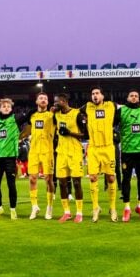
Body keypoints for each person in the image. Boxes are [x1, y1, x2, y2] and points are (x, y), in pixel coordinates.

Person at [80, 87, 120, 223]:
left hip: (108, 148)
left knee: (110, 178)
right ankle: (95, 207)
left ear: (103, 95)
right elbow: (72, 112)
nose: (95, 96)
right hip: (94, 148)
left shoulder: (111, 106)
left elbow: (128, 107)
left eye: (97, 93)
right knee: (92, 177)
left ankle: (112, 208)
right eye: (92, 94)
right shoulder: (87, 107)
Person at [0, 98, 32, 220]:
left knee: (11, 184)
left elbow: (29, 116)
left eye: (8, 106)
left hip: (10, 157)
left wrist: (38, 107)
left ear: (12, 108)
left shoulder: (15, 119)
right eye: (3, 106)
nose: (6, 107)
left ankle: (13, 209)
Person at [117, 90, 140, 222]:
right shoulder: (121, 111)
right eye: (131, 95)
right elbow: (111, 123)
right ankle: (127, 208)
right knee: (126, 180)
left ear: (139, 98)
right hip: (127, 150)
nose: (134, 97)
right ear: (127, 97)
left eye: (136, 96)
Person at [54, 93, 86, 223]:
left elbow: (85, 134)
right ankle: (67, 212)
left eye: (56, 102)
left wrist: (70, 133)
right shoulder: (56, 115)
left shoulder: (77, 114)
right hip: (61, 153)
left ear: (63, 101)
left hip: (75, 153)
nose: (55, 104)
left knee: (77, 183)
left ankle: (79, 212)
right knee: (62, 183)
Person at [27, 92, 57, 220]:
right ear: (36, 101)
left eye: (45, 98)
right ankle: (35, 207)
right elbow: (28, 129)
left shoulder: (52, 116)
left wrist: (56, 111)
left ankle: (49, 207)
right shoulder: (32, 116)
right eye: (41, 98)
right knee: (32, 179)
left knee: (48, 180)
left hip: (47, 152)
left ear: (48, 101)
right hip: (33, 151)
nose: (43, 100)